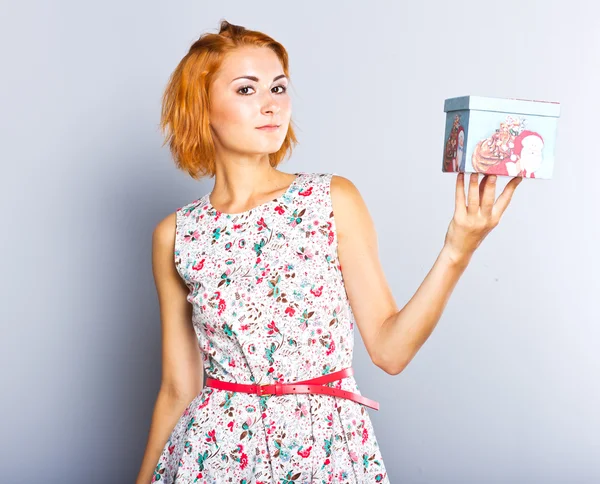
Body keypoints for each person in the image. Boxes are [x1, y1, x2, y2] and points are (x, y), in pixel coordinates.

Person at [136, 20, 523, 484]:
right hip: (214, 455)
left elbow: (390, 351)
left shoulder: (331, 199)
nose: (271, 104)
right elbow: (178, 389)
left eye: (278, 87)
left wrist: (458, 249)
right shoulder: (178, 234)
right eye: (246, 89)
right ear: (201, 108)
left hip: (324, 450)